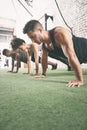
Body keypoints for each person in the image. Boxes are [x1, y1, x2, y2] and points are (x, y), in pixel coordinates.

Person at [22, 20, 87, 87]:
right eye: (30, 38)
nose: (33, 41)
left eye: (33, 37)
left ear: (40, 30)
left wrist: (79, 80)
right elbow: (44, 59)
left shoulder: (59, 33)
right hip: (80, 57)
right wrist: (43, 74)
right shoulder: (44, 46)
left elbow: (72, 55)